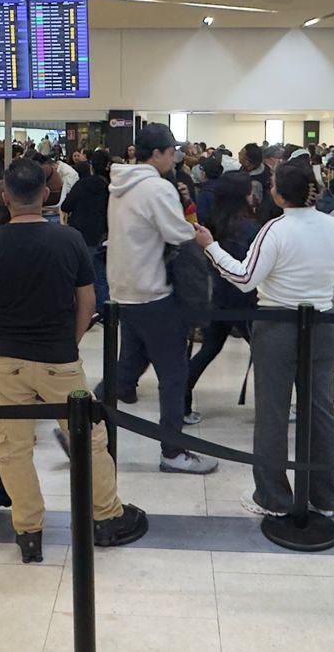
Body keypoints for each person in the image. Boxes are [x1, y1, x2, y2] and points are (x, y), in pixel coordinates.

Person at [0, 159, 147, 561]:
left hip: (5, 359)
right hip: (59, 359)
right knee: (89, 439)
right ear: (46, 194)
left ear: (6, 197)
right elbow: (87, 301)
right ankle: (106, 516)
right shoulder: (69, 240)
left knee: (12, 447)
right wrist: (71, 341)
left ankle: (28, 530)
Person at [196, 160, 334, 518]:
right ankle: (325, 497)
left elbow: (245, 278)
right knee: (322, 411)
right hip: (324, 323)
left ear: (280, 194)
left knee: (273, 413)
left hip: (277, 326)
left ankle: (273, 497)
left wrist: (211, 247)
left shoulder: (276, 229)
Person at [104, 123, 215, 475]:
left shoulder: (119, 184)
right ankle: (173, 451)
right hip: (153, 293)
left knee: (126, 371)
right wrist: (200, 234)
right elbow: (178, 234)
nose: (174, 158)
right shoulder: (156, 187)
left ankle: (77, 428)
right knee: (174, 375)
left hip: (124, 291)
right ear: (156, 154)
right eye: (171, 152)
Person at [185, 172, 260, 424]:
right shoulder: (250, 227)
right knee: (265, 355)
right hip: (245, 301)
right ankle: (274, 406)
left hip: (217, 296)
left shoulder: (212, 222)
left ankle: (182, 401)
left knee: (209, 348)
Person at [60, 151, 111, 318]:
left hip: (80, 234)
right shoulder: (111, 187)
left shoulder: (82, 185)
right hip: (103, 235)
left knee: (80, 275)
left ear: (91, 166)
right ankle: (103, 310)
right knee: (100, 273)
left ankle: (83, 310)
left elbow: (66, 206)